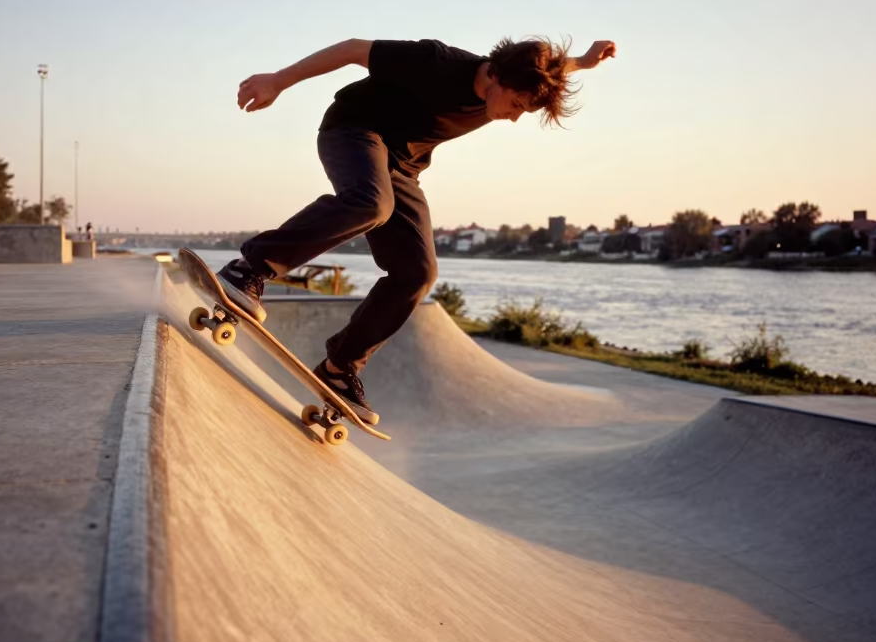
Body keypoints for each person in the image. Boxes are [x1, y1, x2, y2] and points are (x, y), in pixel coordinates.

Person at [219, 35, 616, 425]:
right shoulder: (435, 62)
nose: (512, 118)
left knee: (417, 273)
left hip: (402, 168)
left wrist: (583, 60)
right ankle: (249, 269)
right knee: (372, 203)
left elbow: (550, 67)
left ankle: (339, 367)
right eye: (514, 105)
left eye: (522, 112)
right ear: (496, 76)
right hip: (353, 130)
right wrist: (278, 80)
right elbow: (353, 49)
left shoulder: (522, 76)